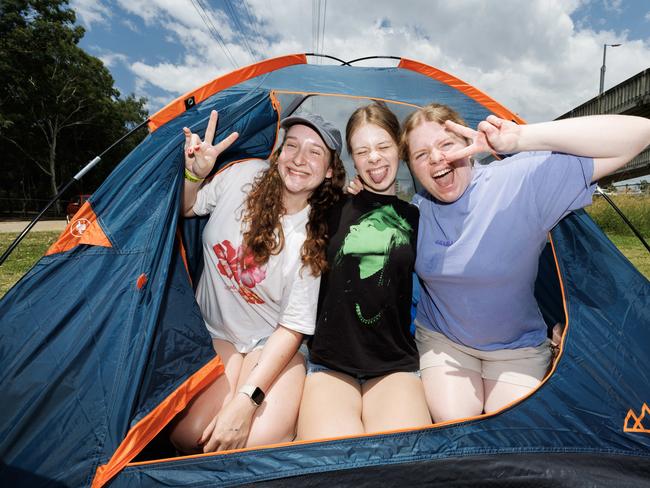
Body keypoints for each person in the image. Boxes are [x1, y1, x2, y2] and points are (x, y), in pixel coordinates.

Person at [400, 103, 650, 422]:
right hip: (445, 340)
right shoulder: (415, 212)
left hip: (516, 347)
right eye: (421, 155)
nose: (436, 158)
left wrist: (521, 138)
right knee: (455, 421)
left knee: (510, 425)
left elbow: (641, 133)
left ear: (470, 147)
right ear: (413, 168)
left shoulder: (519, 183)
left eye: (446, 144)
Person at [170, 110, 345, 452]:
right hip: (216, 331)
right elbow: (187, 209)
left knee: (255, 442)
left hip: (271, 340)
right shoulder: (243, 176)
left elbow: (292, 328)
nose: (299, 159)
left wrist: (246, 402)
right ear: (278, 154)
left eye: (315, 152)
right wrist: (194, 174)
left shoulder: (315, 233)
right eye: (291, 146)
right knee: (190, 435)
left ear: (328, 172)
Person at [297, 103, 431, 440]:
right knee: (333, 461)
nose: (374, 158)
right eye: (362, 150)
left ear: (399, 149)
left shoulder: (419, 216)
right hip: (331, 362)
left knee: (400, 461)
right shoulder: (328, 208)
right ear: (352, 159)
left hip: (393, 364)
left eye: (383, 146)